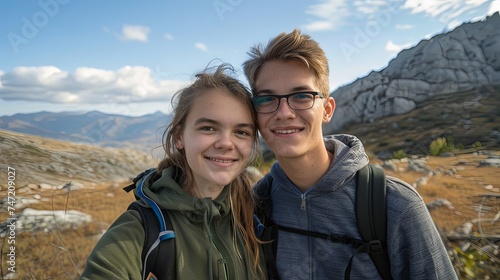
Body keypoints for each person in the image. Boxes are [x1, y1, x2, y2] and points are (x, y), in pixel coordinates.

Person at [243, 29, 458, 279]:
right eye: (267, 99)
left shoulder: (396, 206)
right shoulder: (255, 204)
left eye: (301, 96)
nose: (284, 112)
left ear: (327, 109)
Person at [81, 64, 267, 280]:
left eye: (241, 132)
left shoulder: (257, 218)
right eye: (208, 128)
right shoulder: (140, 231)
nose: (226, 143)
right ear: (179, 137)